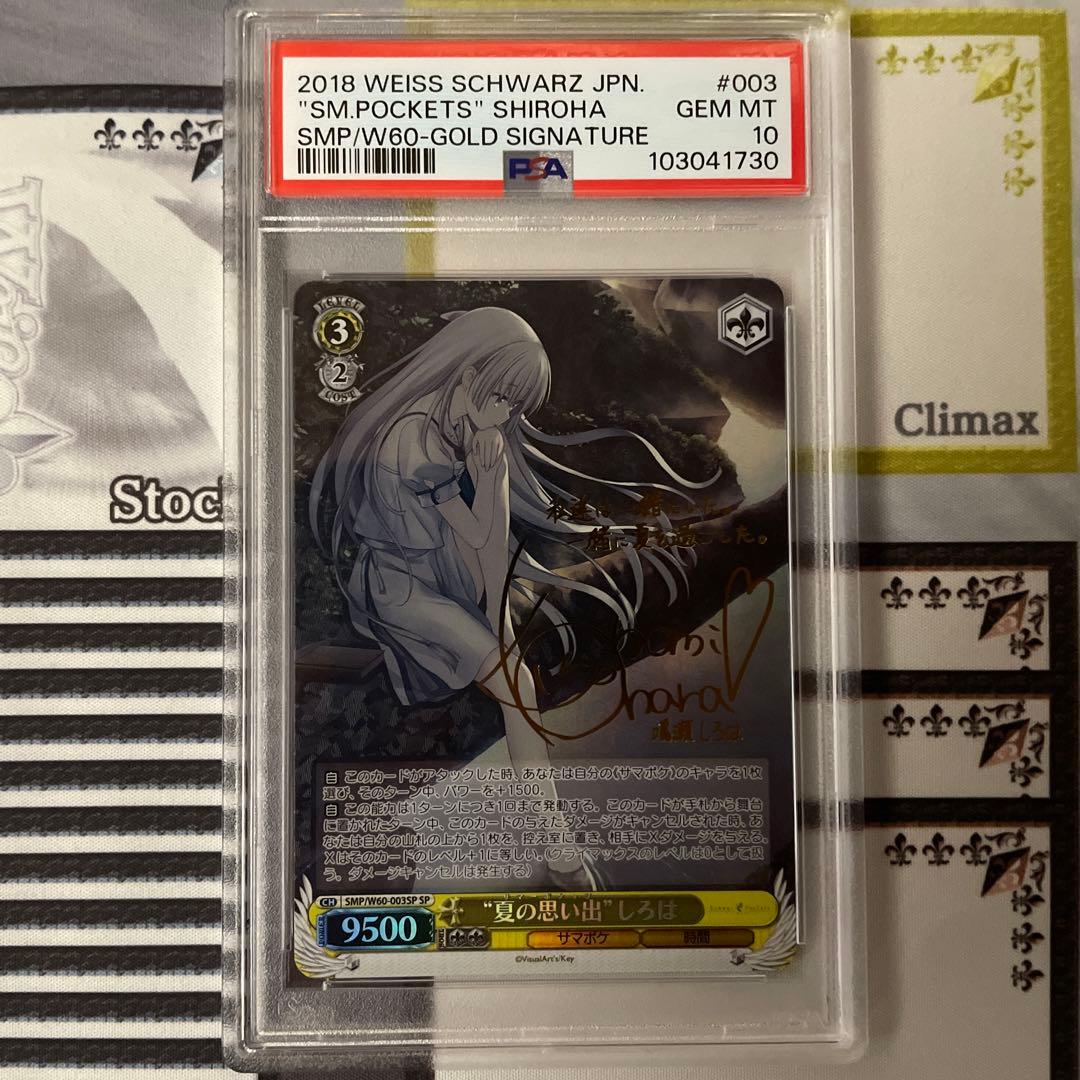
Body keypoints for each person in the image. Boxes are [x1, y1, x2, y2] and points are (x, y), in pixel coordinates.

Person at [310, 306, 720, 887]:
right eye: (501, 397)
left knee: (517, 667)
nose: (505, 415)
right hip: (403, 587)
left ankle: (554, 841)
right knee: (519, 686)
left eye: (514, 405)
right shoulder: (412, 441)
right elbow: (479, 535)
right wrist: (489, 478)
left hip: (451, 575)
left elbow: (489, 547)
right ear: (468, 374)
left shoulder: (474, 432)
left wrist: (498, 613)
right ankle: (558, 847)